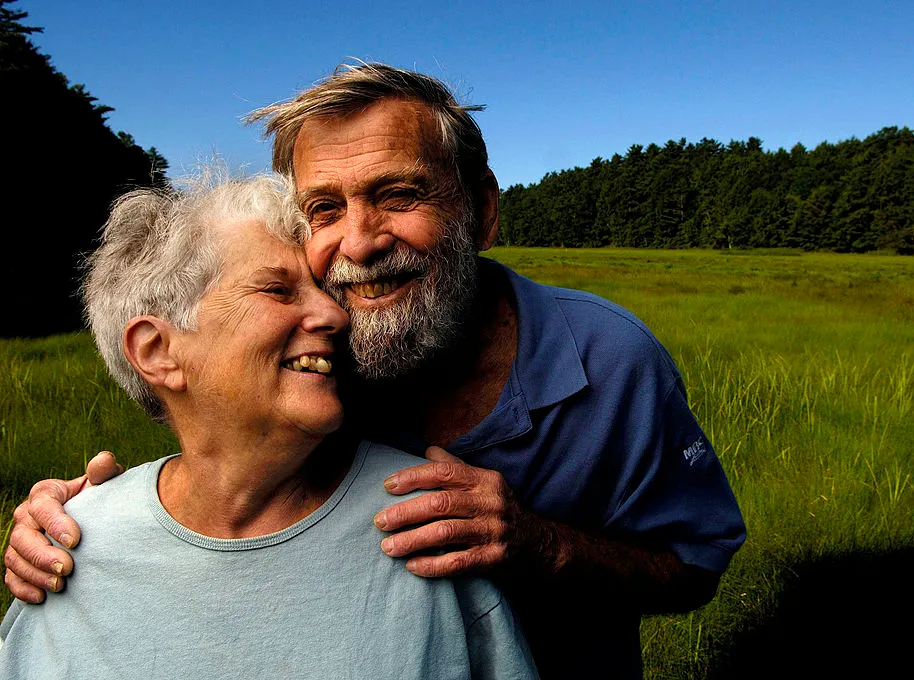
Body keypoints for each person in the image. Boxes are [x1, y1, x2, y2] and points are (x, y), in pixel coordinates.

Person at [5, 63, 745, 678]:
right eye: (324, 209)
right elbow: (222, 450)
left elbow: (695, 566)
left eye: (399, 195)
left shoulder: (612, 359)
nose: (358, 243)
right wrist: (86, 520)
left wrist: (539, 545)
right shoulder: (321, 358)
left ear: (481, 211)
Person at [0, 174, 537, 679]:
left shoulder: (433, 519)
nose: (335, 316)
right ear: (157, 351)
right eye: (278, 291)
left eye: (324, 292)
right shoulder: (64, 547)